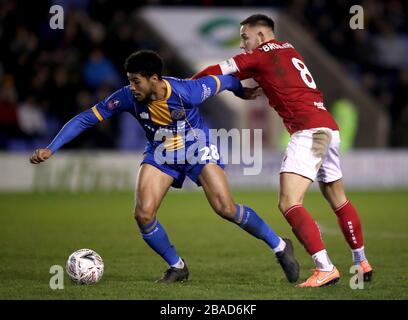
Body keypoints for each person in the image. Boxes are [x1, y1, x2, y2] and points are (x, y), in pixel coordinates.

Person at [30, 50, 299, 284]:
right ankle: (177, 266)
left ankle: (279, 245)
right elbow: (87, 118)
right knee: (143, 214)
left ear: (154, 79)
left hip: (197, 148)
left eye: (136, 81)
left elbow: (227, 80)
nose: (132, 87)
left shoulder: (187, 91)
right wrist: (51, 148)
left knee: (225, 208)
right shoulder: (126, 96)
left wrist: (242, 92)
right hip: (160, 152)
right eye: (129, 81)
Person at [192, 14, 373, 288]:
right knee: (337, 198)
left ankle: (324, 268)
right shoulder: (288, 49)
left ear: (262, 36)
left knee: (289, 203)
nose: (242, 44)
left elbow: (215, 71)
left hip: (308, 131)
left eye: (244, 37)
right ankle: (361, 261)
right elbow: (246, 74)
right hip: (328, 128)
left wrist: (180, 86)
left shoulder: (260, 55)